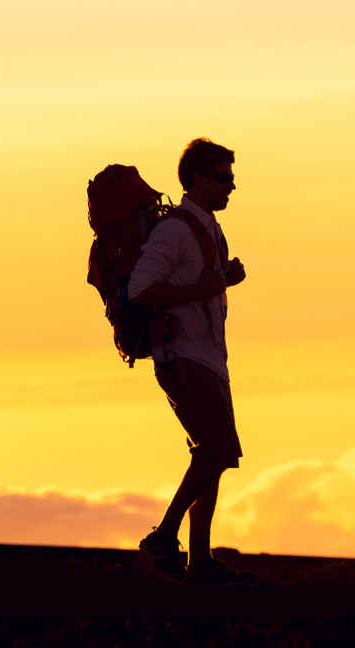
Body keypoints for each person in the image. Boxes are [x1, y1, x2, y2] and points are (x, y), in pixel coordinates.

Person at [129, 138, 251, 584]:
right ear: (196, 180)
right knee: (218, 450)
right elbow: (140, 289)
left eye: (231, 179)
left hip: (208, 357)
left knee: (212, 454)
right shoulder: (175, 230)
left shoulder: (208, 229)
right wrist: (213, 285)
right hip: (183, 356)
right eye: (223, 178)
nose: (231, 187)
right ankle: (164, 535)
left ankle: (199, 557)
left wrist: (220, 281)